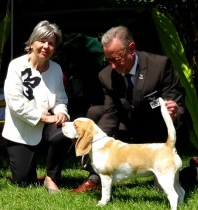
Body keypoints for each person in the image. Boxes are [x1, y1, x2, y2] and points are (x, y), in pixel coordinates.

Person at [71, 25, 188, 193]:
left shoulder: (160, 65)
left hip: (158, 135)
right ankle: (95, 178)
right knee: (96, 113)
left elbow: (179, 105)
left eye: (116, 59)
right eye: (108, 60)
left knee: (163, 188)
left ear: (131, 49)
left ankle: (192, 171)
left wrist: (174, 113)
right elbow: (111, 114)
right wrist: (91, 141)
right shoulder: (106, 76)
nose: (112, 66)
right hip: (128, 130)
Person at [2, 20, 71, 193]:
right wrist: (44, 116)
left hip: (48, 126)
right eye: (42, 41)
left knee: (64, 133)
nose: (46, 46)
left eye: (51, 43)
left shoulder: (56, 69)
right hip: (21, 130)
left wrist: (61, 112)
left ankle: (51, 177)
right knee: (24, 181)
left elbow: (61, 98)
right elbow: (14, 102)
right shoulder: (16, 66)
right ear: (32, 42)